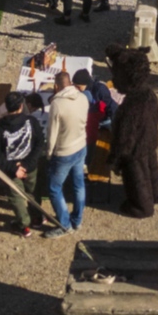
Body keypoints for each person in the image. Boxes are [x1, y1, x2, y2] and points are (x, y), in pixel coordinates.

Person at [108, 46, 158, 218]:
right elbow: (157, 116)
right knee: (151, 167)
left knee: (137, 179)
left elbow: (124, 138)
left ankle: (142, 207)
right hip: (149, 140)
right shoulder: (148, 94)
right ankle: (157, 193)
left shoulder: (130, 108)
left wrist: (115, 158)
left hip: (134, 150)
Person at [0, 92, 44, 237]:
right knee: (32, 192)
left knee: (17, 198)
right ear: (21, 106)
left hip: (11, 170)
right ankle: (37, 217)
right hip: (30, 167)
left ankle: (23, 225)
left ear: (6, 107)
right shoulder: (31, 121)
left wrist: (14, 168)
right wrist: (27, 164)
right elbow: (39, 143)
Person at [44, 73, 90, 234]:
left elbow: (52, 134)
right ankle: (77, 220)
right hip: (81, 146)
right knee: (79, 184)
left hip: (64, 152)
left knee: (54, 188)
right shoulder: (83, 98)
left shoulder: (57, 104)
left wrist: (49, 154)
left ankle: (64, 224)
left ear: (56, 86)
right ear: (70, 82)